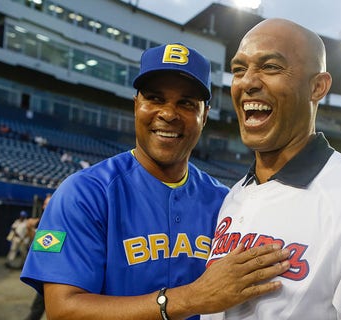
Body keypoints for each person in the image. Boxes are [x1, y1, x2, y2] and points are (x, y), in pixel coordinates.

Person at [21, 42, 290, 320]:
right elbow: (63, 310)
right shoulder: (85, 193)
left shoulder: (225, 202)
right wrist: (188, 299)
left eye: (186, 103)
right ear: (136, 105)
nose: (169, 114)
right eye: (155, 98)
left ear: (204, 116)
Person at [203, 19, 341, 319]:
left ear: (317, 87)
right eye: (239, 70)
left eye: (270, 67)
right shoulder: (235, 196)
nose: (248, 82)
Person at [24, 194, 51, 320]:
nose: (45, 206)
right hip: (45, 274)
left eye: (48, 204)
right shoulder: (43, 221)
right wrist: (29, 228)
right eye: (45, 204)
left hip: (55, 274)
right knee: (37, 309)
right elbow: (36, 242)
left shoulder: (58, 221)